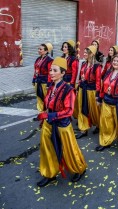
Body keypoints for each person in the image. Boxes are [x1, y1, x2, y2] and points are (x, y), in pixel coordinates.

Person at [36, 57, 87, 187]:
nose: (51, 73)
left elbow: (69, 111)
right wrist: (44, 115)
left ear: (63, 73)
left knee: (69, 150)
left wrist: (50, 114)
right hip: (49, 124)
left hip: (62, 126)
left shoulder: (68, 90)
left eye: (54, 70)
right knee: (47, 148)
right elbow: (48, 104)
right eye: (50, 70)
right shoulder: (51, 86)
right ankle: (50, 173)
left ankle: (79, 168)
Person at [96, 53, 118, 151]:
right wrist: (100, 98)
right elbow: (103, 86)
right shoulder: (108, 72)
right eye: (114, 61)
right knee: (106, 123)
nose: (115, 62)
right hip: (107, 101)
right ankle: (105, 141)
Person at [76, 46, 102, 139]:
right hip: (83, 89)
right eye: (84, 52)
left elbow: (98, 81)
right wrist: (78, 86)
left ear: (92, 54)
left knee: (94, 111)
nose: (84, 54)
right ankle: (83, 129)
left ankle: (99, 125)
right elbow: (80, 77)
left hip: (92, 91)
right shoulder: (83, 64)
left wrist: (98, 94)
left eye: (86, 53)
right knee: (82, 109)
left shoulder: (97, 66)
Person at [32, 43, 54, 112]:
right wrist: (34, 79)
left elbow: (50, 73)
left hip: (44, 82)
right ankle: (41, 112)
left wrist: (49, 83)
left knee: (45, 98)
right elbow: (35, 70)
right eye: (38, 49)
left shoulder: (49, 60)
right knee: (39, 97)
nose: (38, 50)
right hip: (37, 81)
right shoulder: (38, 59)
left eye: (40, 49)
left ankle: (47, 112)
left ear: (46, 51)